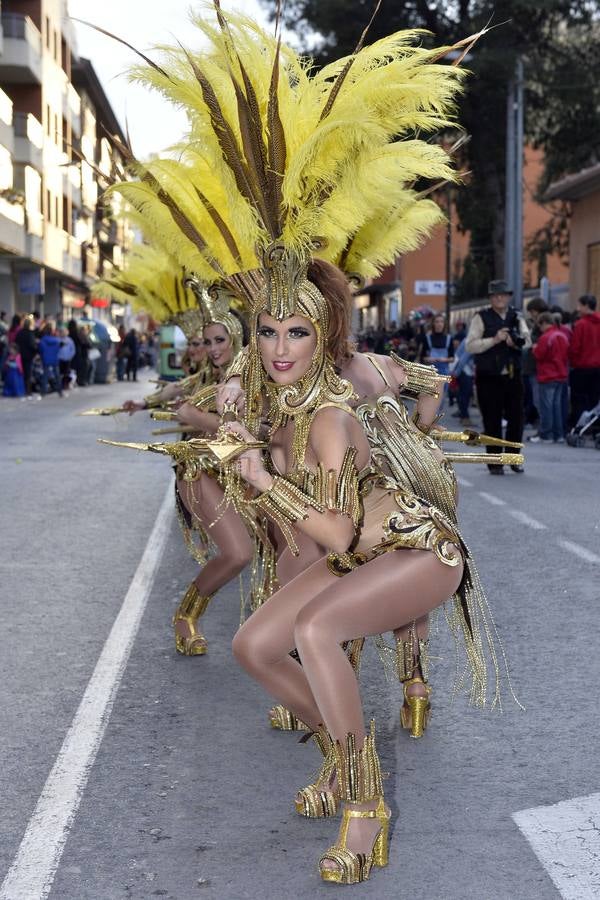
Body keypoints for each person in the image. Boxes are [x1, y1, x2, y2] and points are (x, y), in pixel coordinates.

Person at [466, 280, 531, 474]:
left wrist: (515, 342)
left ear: (509, 296)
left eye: (502, 295)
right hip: (489, 376)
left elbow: (527, 340)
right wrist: (494, 340)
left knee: (516, 419)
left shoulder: (517, 316)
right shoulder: (481, 317)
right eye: (495, 295)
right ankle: (495, 462)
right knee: (491, 420)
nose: (499, 298)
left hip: (512, 375)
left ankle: (514, 458)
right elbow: (470, 345)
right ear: (490, 298)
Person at [529, 312, 569, 442]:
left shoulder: (546, 337)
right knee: (557, 407)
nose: (540, 328)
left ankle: (546, 434)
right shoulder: (562, 335)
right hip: (561, 374)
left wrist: (534, 348)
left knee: (547, 407)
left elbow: (539, 355)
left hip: (548, 375)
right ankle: (559, 434)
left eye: (540, 325)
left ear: (544, 323)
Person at [568, 294, 600, 426]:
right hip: (598, 368)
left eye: (580, 305)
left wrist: (573, 362)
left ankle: (579, 428)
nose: (578, 309)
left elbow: (575, 348)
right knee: (594, 400)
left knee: (579, 401)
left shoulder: (581, 324)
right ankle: (593, 427)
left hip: (582, 367)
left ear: (586, 306)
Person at [522, 297, 548, 427]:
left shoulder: (540, 326)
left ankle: (544, 427)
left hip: (536, 367)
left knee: (539, 399)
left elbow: (534, 342)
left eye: (532, 312)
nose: (531, 315)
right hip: (535, 367)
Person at [450, 336, 474, 425]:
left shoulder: (466, 339)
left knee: (462, 394)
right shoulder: (471, 341)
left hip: (461, 371)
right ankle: (465, 417)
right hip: (464, 371)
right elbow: (463, 359)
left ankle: (463, 415)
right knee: (465, 395)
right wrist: (456, 373)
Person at [38, 322, 63, 397]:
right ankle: (60, 391)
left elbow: (41, 350)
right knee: (57, 375)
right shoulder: (56, 340)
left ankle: (43, 392)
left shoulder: (43, 340)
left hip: (46, 359)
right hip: (54, 359)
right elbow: (58, 349)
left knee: (45, 375)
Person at [15, 316, 37, 396]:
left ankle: (22, 389)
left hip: (20, 355)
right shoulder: (30, 334)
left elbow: (16, 343)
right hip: (28, 356)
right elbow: (32, 345)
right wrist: (35, 352)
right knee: (28, 374)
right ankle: (28, 391)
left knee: (22, 373)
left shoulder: (20, 333)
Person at [57, 325, 76, 390]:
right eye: (61, 332)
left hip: (67, 359)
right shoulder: (57, 340)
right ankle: (59, 385)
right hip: (60, 359)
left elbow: (73, 350)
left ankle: (65, 384)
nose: (63, 333)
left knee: (66, 373)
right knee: (59, 373)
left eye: (64, 332)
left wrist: (70, 357)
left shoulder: (70, 340)